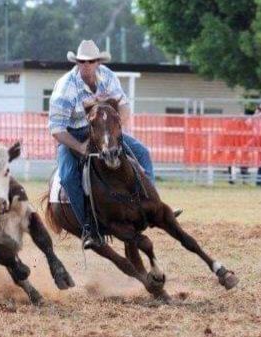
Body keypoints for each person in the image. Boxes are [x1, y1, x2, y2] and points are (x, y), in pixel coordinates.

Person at [48, 40, 179, 249]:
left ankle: (152, 207)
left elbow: (124, 106)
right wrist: (80, 147)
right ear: (77, 62)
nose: (86, 65)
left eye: (91, 61)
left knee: (142, 153)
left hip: (104, 131)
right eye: (82, 61)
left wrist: (115, 129)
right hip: (73, 134)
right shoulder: (65, 88)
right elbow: (56, 129)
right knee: (68, 176)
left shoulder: (108, 76)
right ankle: (89, 228)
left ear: (98, 62)